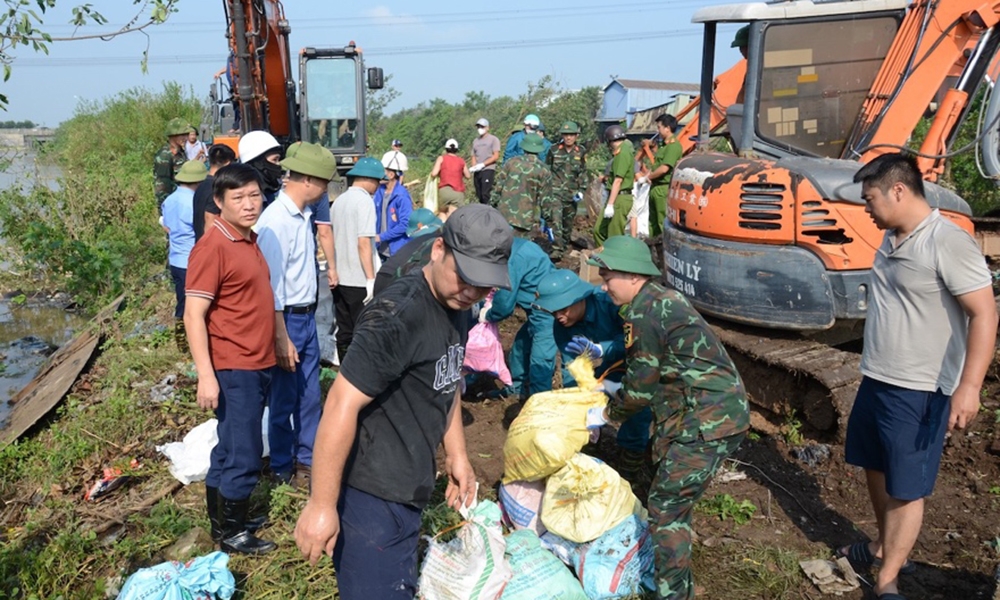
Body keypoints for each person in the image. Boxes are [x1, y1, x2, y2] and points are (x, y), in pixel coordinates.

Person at [294, 205, 514, 599]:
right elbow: (340, 403)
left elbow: (446, 379)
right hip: (371, 492)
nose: (471, 292)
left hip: (410, 480)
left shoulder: (457, 304)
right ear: (437, 250)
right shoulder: (398, 316)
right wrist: (321, 505)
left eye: (483, 285)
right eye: (464, 277)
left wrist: (457, 454)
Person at [838, 153, 997, 600]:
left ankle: (889, 578)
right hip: (878, 378)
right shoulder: (890, 238)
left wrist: (969, 387)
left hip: (922, 388)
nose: (866, 208)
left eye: (870, 199)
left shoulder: (946, 241)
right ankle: (884, 544)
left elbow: (984, 313)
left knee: (907, 487)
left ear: (899, 191)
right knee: (874, 465)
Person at [585, 235, 749, 599]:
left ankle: (672, 594)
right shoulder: (657, 301)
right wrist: (616, 388)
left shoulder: (645, 312)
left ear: (632, 276)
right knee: (668, 490)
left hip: (708, 418)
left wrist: (606, 412)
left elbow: (642, 391)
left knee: (665, 508)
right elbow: (655, 371)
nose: (603, 283)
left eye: (608, 275)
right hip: (703, 411)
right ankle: (676, 579)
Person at [184, 163, 278, 555]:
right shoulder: (213, 246)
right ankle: (233, 532)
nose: (249, 204)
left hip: (256, 360)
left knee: (229, 444)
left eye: (254, 195)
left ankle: (224, 522)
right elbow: (193, 315)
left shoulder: (247, 238)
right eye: (238, 198)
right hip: (234, 365)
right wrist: (206, 376)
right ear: (219, 202)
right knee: (245, 450)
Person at [255, 142, 337, 488]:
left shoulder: (302, 216)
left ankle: (307, 460)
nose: (326, 191)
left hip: (304, 316)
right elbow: (269, 287)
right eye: (324, 183)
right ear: (307, 181)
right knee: (284, 398)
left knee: (309, 393)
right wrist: (281, 336)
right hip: (285, 319)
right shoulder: (275, 221)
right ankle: (281, 465)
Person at [531, 268, 652, 482]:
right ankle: (589, 451)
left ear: (579, 299)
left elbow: (634, 339)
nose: (559, 316)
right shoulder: (562, 326)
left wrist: (602, 348)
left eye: (563, 309)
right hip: (602, 372)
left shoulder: (612, 304)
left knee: (636, 410)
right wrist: (580, 401)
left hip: (637, 362)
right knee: (583, 409)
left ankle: (630, 469)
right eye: (553, 312)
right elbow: (573, 366)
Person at [480, 238, 556, 399]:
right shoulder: (518, 245)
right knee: (521, 347)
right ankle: (518, 388)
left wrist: (487, 314)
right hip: (538, 305)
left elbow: (505, 303)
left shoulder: (512, 259)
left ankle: (539, 403)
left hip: (547, 309)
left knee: (540, 360)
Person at [329, 157, 383, 361]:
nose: (378, 186)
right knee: (365, 332)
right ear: (369, 179)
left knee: (345, 330)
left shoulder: (339, 201)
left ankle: (344, 368)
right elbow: (364, 243)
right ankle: (361, 375)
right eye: (377, 181)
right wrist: (371, 279)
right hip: (358, 278)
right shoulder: (364, 202)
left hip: (339, 277)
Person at [161, 160, 208, 352]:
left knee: (182, 301)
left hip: (176, 260)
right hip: (193, 261)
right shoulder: (194, 203)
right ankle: (192, 343)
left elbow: (166, 225)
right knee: (197, 306)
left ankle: (182, 343)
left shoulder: (169, 200)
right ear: (198, 182)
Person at [490, 133, 555, 239]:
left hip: (504, 215)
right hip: (526, 219)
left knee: (501, 246)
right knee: (519, 248)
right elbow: (546, 201)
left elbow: (498, 189)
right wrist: (548, 220)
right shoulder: (543, 170)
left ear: (523, 147)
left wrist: (492, 205)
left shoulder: (510, 163)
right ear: (539, 149)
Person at [546, 121, 588, 260]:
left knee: (567, 223)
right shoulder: (554, 150)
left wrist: (582, 190)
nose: (568, 138)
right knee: (556, 221)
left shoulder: (580, 151)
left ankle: (564, 246)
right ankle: (557, 249)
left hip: (572, 194)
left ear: (576, 136)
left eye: (571, 135)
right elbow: (547, 169)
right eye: (565, 135)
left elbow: (582, 172)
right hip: (555, 192)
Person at [641, 114, 683, 238]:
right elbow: (656, 166)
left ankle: (662, 249)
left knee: (661, 221)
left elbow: (664, 169)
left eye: (659, 127)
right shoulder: (664, 146)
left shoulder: (673, 146)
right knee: (652, 222)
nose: (658, 131)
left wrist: (648, 177)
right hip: (655, 187)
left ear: (667, 128)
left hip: (663, 188)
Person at [594, 124, 635, 246]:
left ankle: (616, 262)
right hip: (615, 196)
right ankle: (605, 257)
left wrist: (610, 204)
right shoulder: (622, 151)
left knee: (614, 235)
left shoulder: (623, 153)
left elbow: (618, 180)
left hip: (620, 197)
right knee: (598, 230)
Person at [193, 144, 237, 241]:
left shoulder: (201, 185)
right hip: (209, 247)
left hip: (199, 244)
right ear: (228, 163)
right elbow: (210, 221)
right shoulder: (216, 188)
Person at [373, 157, 413, 258]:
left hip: (396, 250)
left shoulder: (402, 196)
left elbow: (404, 225)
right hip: (380, 249)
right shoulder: (379, 192)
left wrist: (381, 237)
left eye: (382, 171)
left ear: (391, 175)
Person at [239, 130, 284, 207]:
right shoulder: (245, 200)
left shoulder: (276, 190)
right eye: (274, 160)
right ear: (259, 164)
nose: (278, 164)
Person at [154, 117, 191, 205]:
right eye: (182, 135)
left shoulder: (180, 152)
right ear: (173, 135)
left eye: (187, 135)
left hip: (183, 201)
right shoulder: (165, 155)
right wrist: (164, 211)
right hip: (173, 203)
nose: (186, 138)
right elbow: (162, 186)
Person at [430, 138, 471, 218]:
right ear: (456, 149)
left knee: (442, 213)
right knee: (454, 216)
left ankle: (442, 229)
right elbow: (468, 176)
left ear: (446, 149)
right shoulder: (461, 161)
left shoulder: (441, 158)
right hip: (458, 193)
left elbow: (434, 173)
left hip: (444, 191)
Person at [470, 117, 501, 204]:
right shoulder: (475, 141)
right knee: (479, 194)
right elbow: (473, 155)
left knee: (485, 193)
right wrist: (474, 166)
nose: (480, 129)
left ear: (487, 127)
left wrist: (483, 164)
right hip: (478, 170)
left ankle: (488, 211)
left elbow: (496, 156)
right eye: (478, 127)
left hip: (488, 169)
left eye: (482, 126)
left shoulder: (493, 139)